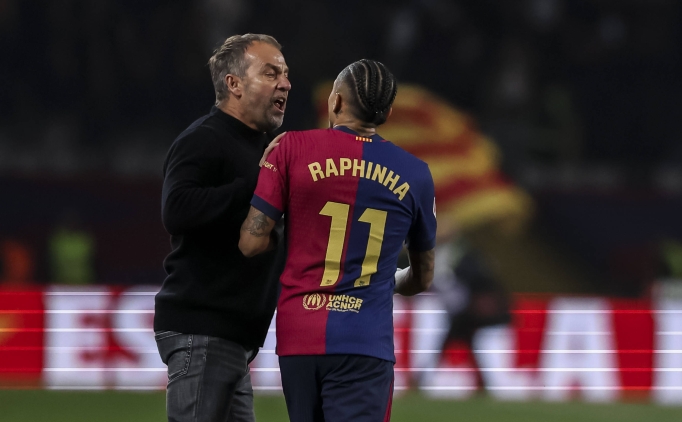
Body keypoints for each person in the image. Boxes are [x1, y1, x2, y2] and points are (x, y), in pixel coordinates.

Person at [239, 59, 436, 422]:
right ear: (387, 113)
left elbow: (250, 243)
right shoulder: (416, 174)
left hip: (298, 337)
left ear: (336, 101)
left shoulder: (290, 149)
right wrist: (389, 280)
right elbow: (423, 277)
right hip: (365, 340)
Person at [154, 33, 290, 422]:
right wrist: (257, 182)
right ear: (234, 84)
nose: (285, 83)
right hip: (204, 329)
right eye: (270, 73)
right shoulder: (204, 139)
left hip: (230, 337)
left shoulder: (260, 147)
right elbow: (177, 209)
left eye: (285, 74)